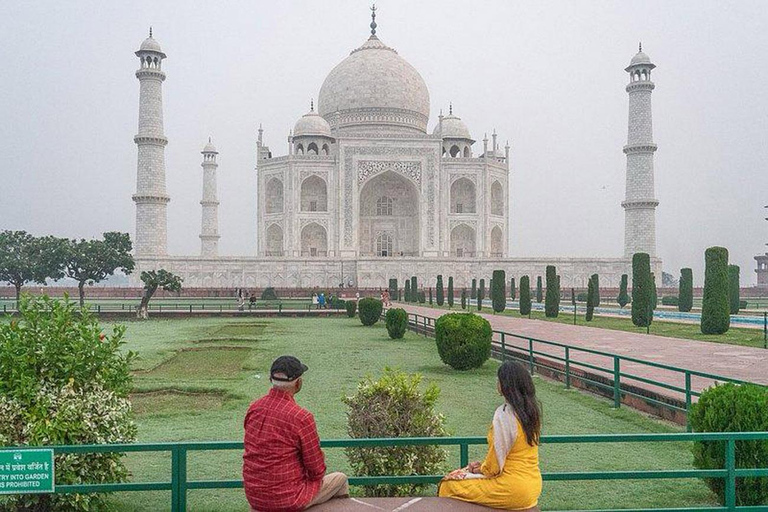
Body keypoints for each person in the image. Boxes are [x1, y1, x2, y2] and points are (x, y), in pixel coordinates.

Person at [243, 356, 349, 511]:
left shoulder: (254, 408)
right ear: (298, 383)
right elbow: (316, 468)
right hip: (288, 498)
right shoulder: (301, 417)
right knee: (340, 479)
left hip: (255, 496)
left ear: (270, 379)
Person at [438, 361, 542, 510]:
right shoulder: (531, 413)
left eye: (499, 380)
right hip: (533, 486)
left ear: (505, 385)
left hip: (512, 489)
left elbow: (494, 467)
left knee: (448, 485)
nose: (497, 383)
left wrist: (479, 469)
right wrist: (481, 466)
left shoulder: (505, 415)